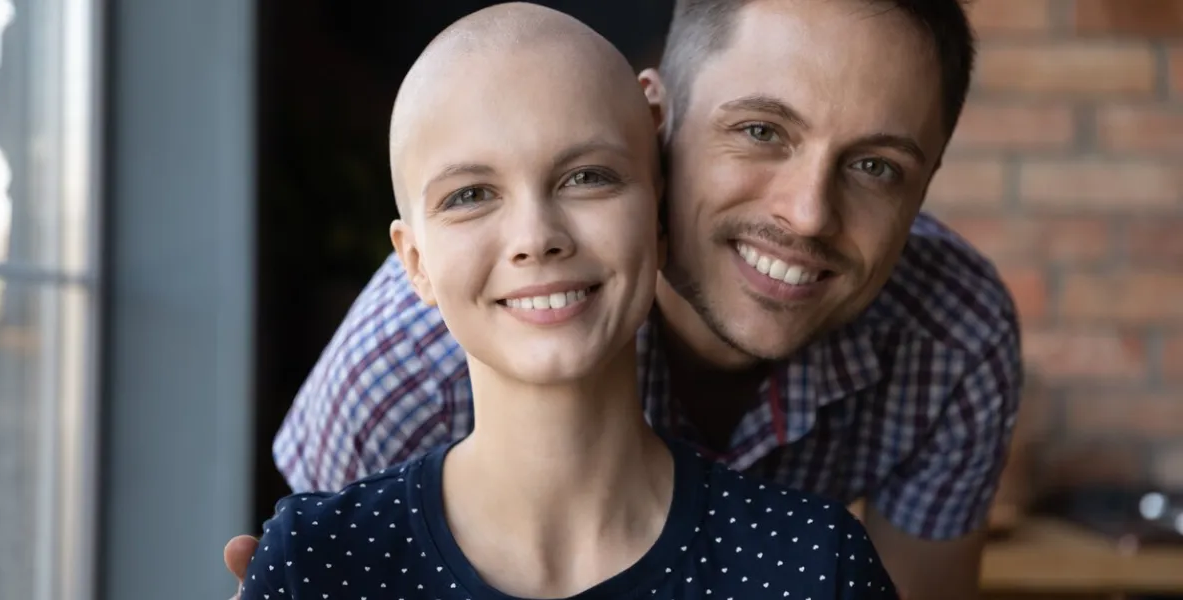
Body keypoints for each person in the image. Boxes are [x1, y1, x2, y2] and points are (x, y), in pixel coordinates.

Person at [230, 1, 1021, 598]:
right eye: (760, 131)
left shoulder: (950, 333)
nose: (807, 213)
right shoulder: (406, 362)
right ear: (654, 123)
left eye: (876, 166)